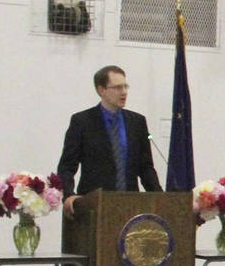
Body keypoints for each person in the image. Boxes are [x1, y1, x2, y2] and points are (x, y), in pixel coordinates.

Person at [56, 65, 161, 214]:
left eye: (126, 87)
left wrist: (160, 197)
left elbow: (145, 168)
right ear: (101, 90)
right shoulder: (82, 122)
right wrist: (69, 195)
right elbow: (66, 166)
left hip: (131, 204)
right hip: (94, 205)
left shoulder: (137, 122)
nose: (124, 92)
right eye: (117, 87)